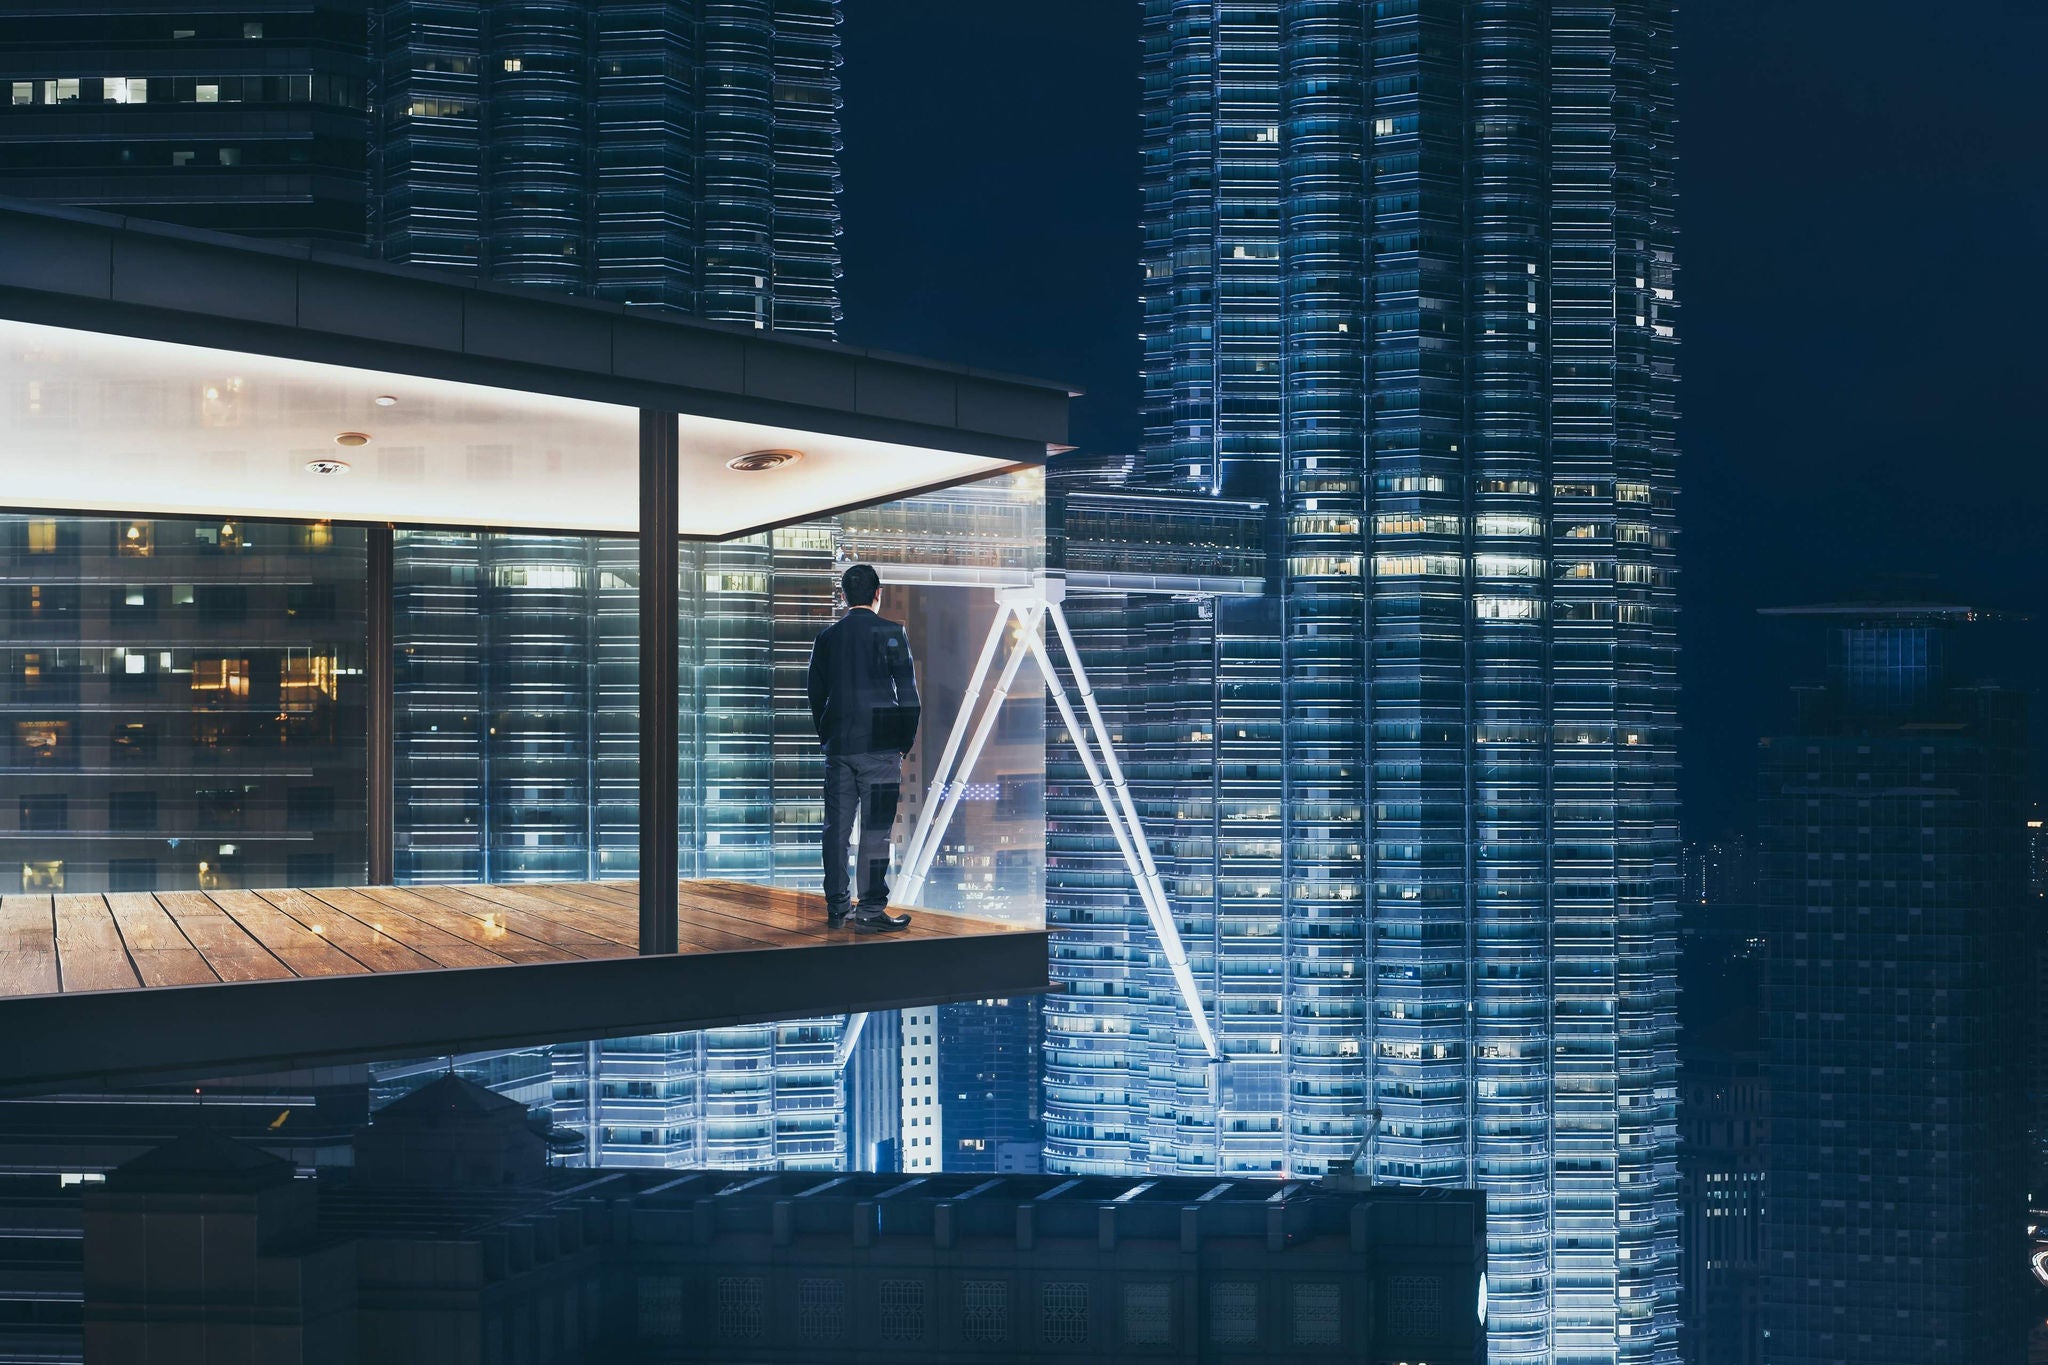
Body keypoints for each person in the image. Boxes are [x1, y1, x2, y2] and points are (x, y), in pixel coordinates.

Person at [807, 563, 920, 931]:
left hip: (839, 748)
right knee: (875, 831)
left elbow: (815, 694)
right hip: (882, 749)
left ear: (843, 595)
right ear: (877, 594)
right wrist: (902, 743)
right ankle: (871, 911)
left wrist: (827, 737)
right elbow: (908, 695)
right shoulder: (891, 632)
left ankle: (837, 907)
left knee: (835, 830)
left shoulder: (827, 637)